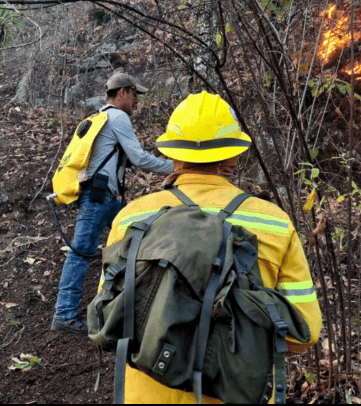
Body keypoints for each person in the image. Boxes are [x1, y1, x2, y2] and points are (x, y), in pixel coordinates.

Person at [100, 91, 322, 403]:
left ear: (173, 155)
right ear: (233, 155)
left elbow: (108, 317)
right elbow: (305, 333)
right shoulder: (274, 223)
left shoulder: (132, 218)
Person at [52, 73, 174, 334]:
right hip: (99, 198)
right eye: (134, 95)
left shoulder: (99, 116)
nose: (136, 101)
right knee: (81, 252)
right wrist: (176, 168)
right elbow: (139, 158)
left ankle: (132, 303)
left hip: (103, 197)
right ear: (122, 93)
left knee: (135, 238)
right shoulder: (118, 117)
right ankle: (64, 314)